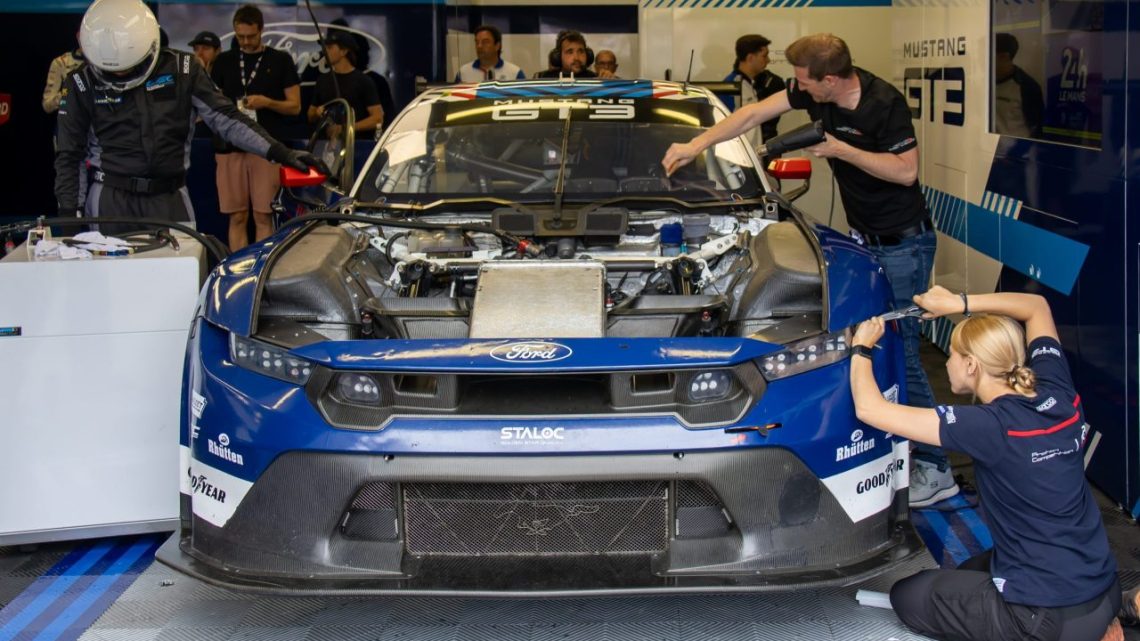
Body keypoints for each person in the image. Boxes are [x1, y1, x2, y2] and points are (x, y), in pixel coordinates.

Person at [661, 33, 955, 507]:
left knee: (903, 352)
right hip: (866, 239)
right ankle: (894, 448)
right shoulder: (813, 90)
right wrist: (697, 143)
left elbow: (905, 171)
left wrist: (842, 150)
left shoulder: (884, 104)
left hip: (904, 244)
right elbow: (752, 114)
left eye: (803, 80)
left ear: (830, 80)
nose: (796, 88)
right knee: (866, 345)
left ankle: (937, 468)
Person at [848, 285, 1121, 641]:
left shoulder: (987, 426)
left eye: (952, 354)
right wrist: (957, 303)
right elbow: (1036, 306)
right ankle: (1114, 613)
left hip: (1046, 619)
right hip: (1104, 587)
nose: (947, 362)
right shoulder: (1057, 389)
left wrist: (861, 348)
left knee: (908, 596)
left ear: (971, 365)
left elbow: (870, 409)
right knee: (970, 572)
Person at [54, 0, 322, 236]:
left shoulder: (183, 70)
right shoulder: (80, 82)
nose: (120, 75)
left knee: (179, 273)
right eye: (112, 72)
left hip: (169, 196)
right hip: (109, 198)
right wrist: (69, 213)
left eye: (129, 68)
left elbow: (226, 118)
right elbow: (69, 153)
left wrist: (281, 152)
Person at [210, 4, 302, 251]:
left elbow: (295, 106)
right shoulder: (224, 61)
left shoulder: (280, 60)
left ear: (261, 30)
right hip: (230, 148)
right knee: (237, 215)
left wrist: (267, 102)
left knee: (263, 214)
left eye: (251, 36)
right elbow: (211, 104)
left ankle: (261, 266)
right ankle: (238, 264)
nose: (245, 42)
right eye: (240, 36)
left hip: (266, 148)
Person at [307, 29, 383, 134]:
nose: (325, 52)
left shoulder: (363, 81)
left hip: (355, 142)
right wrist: (317, 112)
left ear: (344, 51)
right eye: (325, 48)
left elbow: (378, 118)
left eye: (330, 48)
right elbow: (310, 115)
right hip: (326, 142)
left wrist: (345, 128)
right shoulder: (322, 80)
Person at [721, 35, 785, 146]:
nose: (768, 60)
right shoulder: (732, 87)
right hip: (741, 152)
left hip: (757, 150)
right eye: (764, 56)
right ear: (750, 58)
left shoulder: (753, 83)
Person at [994, 33, 1044, 138]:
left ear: (1004, 57)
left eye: (988, 55)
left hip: (1015, 146)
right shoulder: (984, 82)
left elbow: (1036, 129)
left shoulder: (1027, 87)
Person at [455, 25, 526, 82]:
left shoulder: (515, 73)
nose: (479, 46)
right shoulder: (463, 73)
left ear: (497, 46)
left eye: (485, 42)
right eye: (477, 42)